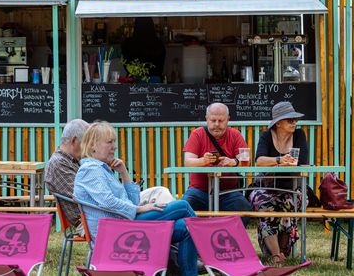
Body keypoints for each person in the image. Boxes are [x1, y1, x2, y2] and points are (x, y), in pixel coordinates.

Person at [73, 121, 198, 276]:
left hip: (124, 225)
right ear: (93, 145)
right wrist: (139, 209)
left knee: (187, 228)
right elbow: (108, 201)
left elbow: (132, 201)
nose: (114, 146)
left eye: (114, 142)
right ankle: (207, 250)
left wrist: (124, 173)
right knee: (183, 206)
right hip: (114, 232)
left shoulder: (102, 169)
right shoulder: (90, 169)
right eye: (109, 142)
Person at [249, 101, 308, 265]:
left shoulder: (299, 135)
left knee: (291, 202)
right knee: (262, 202)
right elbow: (259, 161)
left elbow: (302, 162)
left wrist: (286, 163)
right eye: (290, 120)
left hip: (291, 186)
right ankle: (275, 255)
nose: (294, 123)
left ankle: (283, 251)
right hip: (267, 187)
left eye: (295, 120)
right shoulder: (266, 136)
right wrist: (279, 160)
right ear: (278, 123)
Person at [182, 102, 252, 225]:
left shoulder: (235, 135)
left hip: (228, 192)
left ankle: (228, 240)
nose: (217, 124)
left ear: (228, 120)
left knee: (244, 210)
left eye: (221, 120)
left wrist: (233, 162)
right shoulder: (197, 134)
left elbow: (246, 159)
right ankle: (194, 240)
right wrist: (203, 161)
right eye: (213, 120)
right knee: (183, 209)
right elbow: (187, 162)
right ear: (206, 119)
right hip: (199, 191)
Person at [45, 119, 90, 231]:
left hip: (95, 215)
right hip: (88, 220)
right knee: (139, 214)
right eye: (86, 143)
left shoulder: (71, 160)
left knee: (140, 202)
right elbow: (83, 197)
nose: (88, 148)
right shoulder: (58, 163)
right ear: (74, 141)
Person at [121, 17, 166, 82]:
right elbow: (160, 66)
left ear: (135, 26)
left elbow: (126, 64)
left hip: (133, 80)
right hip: (154, 80)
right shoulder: (158, 43)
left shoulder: (128, 43)